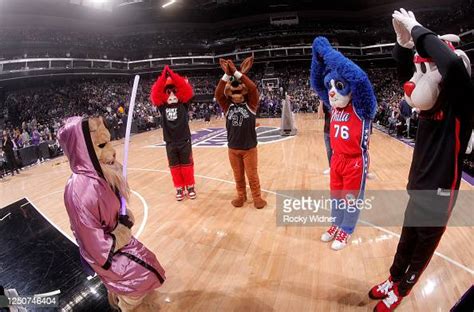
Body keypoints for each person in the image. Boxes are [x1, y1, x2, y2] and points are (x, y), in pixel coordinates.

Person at [369, 9, 474, 311]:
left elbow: (452, 64)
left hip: (440, 192)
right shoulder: (427, 105)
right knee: (407, 237)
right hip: (417, 184)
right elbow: (407, 76)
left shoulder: (462, 102)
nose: (419, 81)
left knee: (423, 247)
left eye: (429, 70)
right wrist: (403, 47)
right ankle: (392, 277)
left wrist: (417, 29)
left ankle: (403, 289)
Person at [58, 116, 165, 311]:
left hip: (116, 240)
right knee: (141, 276)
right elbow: (94, 245)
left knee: (149, 264)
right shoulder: (80, 190)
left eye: (109, 143)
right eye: (101, 145)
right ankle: (126, 304)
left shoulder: (101, 174)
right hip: (104, 252)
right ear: (83, 151)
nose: (112, 151)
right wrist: (121, 231)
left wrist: (124, 218)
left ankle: (121, 295)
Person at [310, 36, 377, 250]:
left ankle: (347, 230)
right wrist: (317, 57)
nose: (332, 91)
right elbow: (316, 83)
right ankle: (336, 223)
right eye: (331, 86)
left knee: (350, 198)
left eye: (338, 86)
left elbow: (359, 78)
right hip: (337, 160)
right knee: (335, 196)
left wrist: (328, 52)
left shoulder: (362, 107)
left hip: (355, 161)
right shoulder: (335, 107)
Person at [215, 57, 267, 209]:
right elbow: (218, 94)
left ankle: (257, 197)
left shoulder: (251, 104)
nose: (236, 88)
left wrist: (237, 73)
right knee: (238, 176)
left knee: (252, 175)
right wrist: (226, 75)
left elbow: (252, 88)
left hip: (249, 148)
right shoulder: (227, 106)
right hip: (233, 148)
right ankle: (241, 196)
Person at [150, 66, 196, 201]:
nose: (171, 95)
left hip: (184, 141)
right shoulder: (162, 107)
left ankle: (190, 187)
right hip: (170, 142)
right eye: (168, 92)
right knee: (174, 167)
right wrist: (164, 75)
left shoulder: (183, 105)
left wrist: (173, 77)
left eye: (174, 92)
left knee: (187, 166)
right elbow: (156, 93)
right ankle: (179, 188)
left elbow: (187, 91)